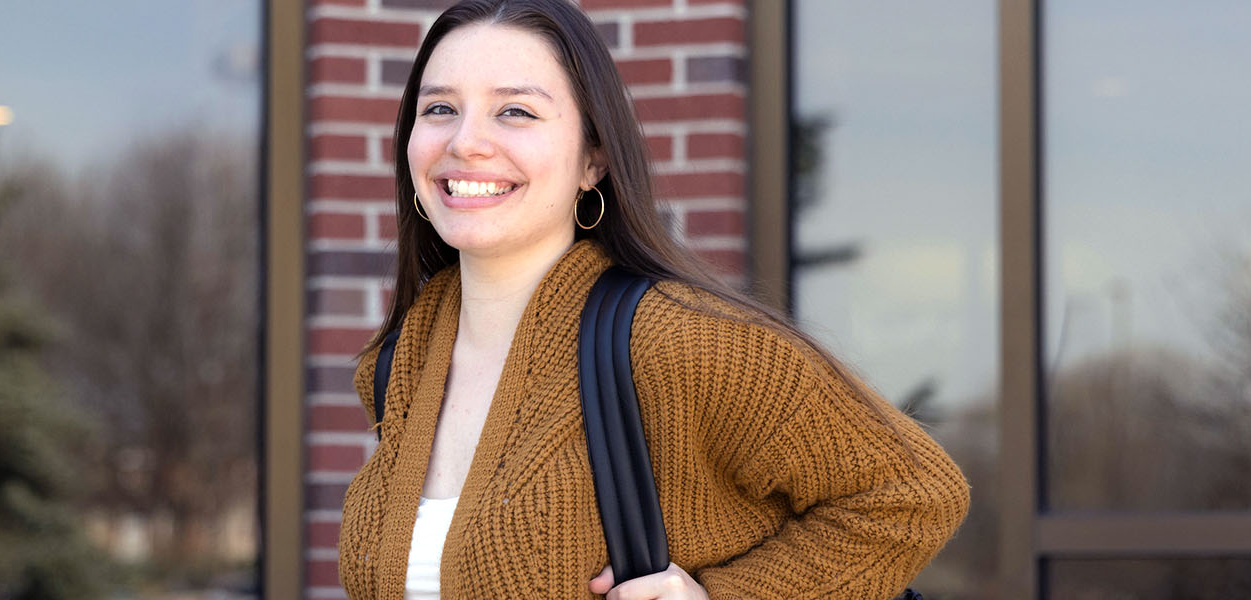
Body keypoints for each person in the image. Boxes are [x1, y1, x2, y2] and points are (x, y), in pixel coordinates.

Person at [337, 0, 970, 597]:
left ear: (594, 159)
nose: (465, 141)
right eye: (440, 109)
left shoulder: (676, 340)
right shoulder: (399, 366)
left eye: (516, 112)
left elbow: (911, 494)